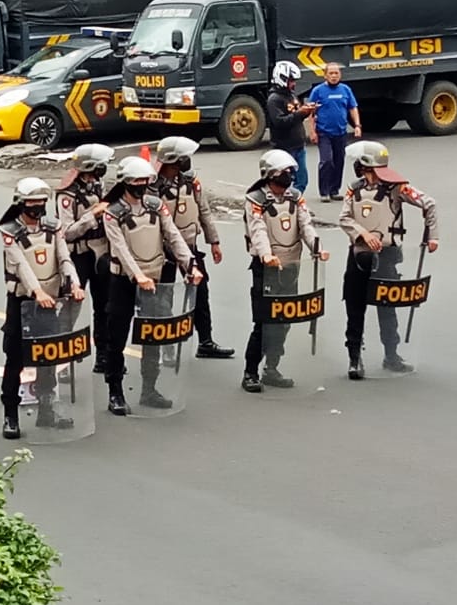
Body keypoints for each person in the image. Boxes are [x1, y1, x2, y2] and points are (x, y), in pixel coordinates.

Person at [101, 156, 201, 415]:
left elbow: (174, 236)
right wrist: (138, 277)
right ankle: (115, 392)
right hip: (124, 280)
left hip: (155, 280)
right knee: (117, 338)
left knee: (154, 337)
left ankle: (149, 389)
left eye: (145, 181)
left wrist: (190, 265)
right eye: (136, 181)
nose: (141, 185)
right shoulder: (112, 212)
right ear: (125, 182)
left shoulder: (156, 206)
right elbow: (120, 249)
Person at [338, 141, 439, 380]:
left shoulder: (397, 188)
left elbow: (429, 203)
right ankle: (354, 358)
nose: (360, 170)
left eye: (362, 166)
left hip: (387, 255)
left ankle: (391, 355)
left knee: (387, 308)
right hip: (359, 256)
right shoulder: (354, 190)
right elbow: (344, 218)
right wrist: (363, 235)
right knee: (355, 306)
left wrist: (432, 236)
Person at [0, 178, 83, 439]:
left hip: (51, 301)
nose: (37, 207)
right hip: (23, 302)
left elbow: (64, 258)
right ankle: (10, 416)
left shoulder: (53, 227)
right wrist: (37, 293)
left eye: (41, 202)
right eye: (32, 202)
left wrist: (75, 284)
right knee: (15, 360)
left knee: (49, 358)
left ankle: (47, 410)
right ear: (20, 203)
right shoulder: (9, 230)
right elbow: (21, 266)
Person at [241, 150, 329, 393]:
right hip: (266, 268)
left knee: (284, 321)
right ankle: (250, 372)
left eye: (291, 172)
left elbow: (305, 225)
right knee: (264, 322)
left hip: (291, 266)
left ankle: (272, 367)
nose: (289, 176)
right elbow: (257, 230)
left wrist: (317, 247)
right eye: (284, 172)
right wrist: (266, 255)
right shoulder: (256, 199)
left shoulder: (295, 197)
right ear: (270, 174)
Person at [152, 136, 233, 360]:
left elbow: (204, 211)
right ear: (171, 160)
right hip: (164, 250)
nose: (187, 161)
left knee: (200, 292)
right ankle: (166, 345)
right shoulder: (152, 187)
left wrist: (213, 241)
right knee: (164, 297)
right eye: (183, 157)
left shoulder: (191, 182)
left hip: (190, 245)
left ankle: (205, 341)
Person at [56, 143, 114, 374]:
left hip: (100, 253)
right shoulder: (67, 195)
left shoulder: (98, 187)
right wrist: (93, 215)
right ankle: (61, 357)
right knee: (71, 306)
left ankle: (103, 356)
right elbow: (66, 231)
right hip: (78, 254)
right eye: (100, 165)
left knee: (104, 307)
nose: (103, 169)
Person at [308, 63, 362, 202]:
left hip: (340, 132)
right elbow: (311, 112)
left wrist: (357, 125)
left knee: (339, 161)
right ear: (325, 75)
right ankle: (324, 192)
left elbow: (353, 108)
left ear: (340, 75)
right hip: (324, 132)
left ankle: (334, 190)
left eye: (336, 73)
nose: (333, 76)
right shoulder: (318, 91)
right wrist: (312, 132)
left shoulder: (345, 90)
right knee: (326, 161)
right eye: (330, 73)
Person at [265, 60, 314, 193]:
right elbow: (279, 122)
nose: (294, 84)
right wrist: (300, 113)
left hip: (299, 145)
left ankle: (297, 204)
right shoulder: (274, 99)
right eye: (291, 80)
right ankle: (289, 205)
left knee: (302, 180)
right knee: (285, 179)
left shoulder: (292, 95)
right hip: (285, 147)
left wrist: (307, 111)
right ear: (282, 79)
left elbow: (296, 117)